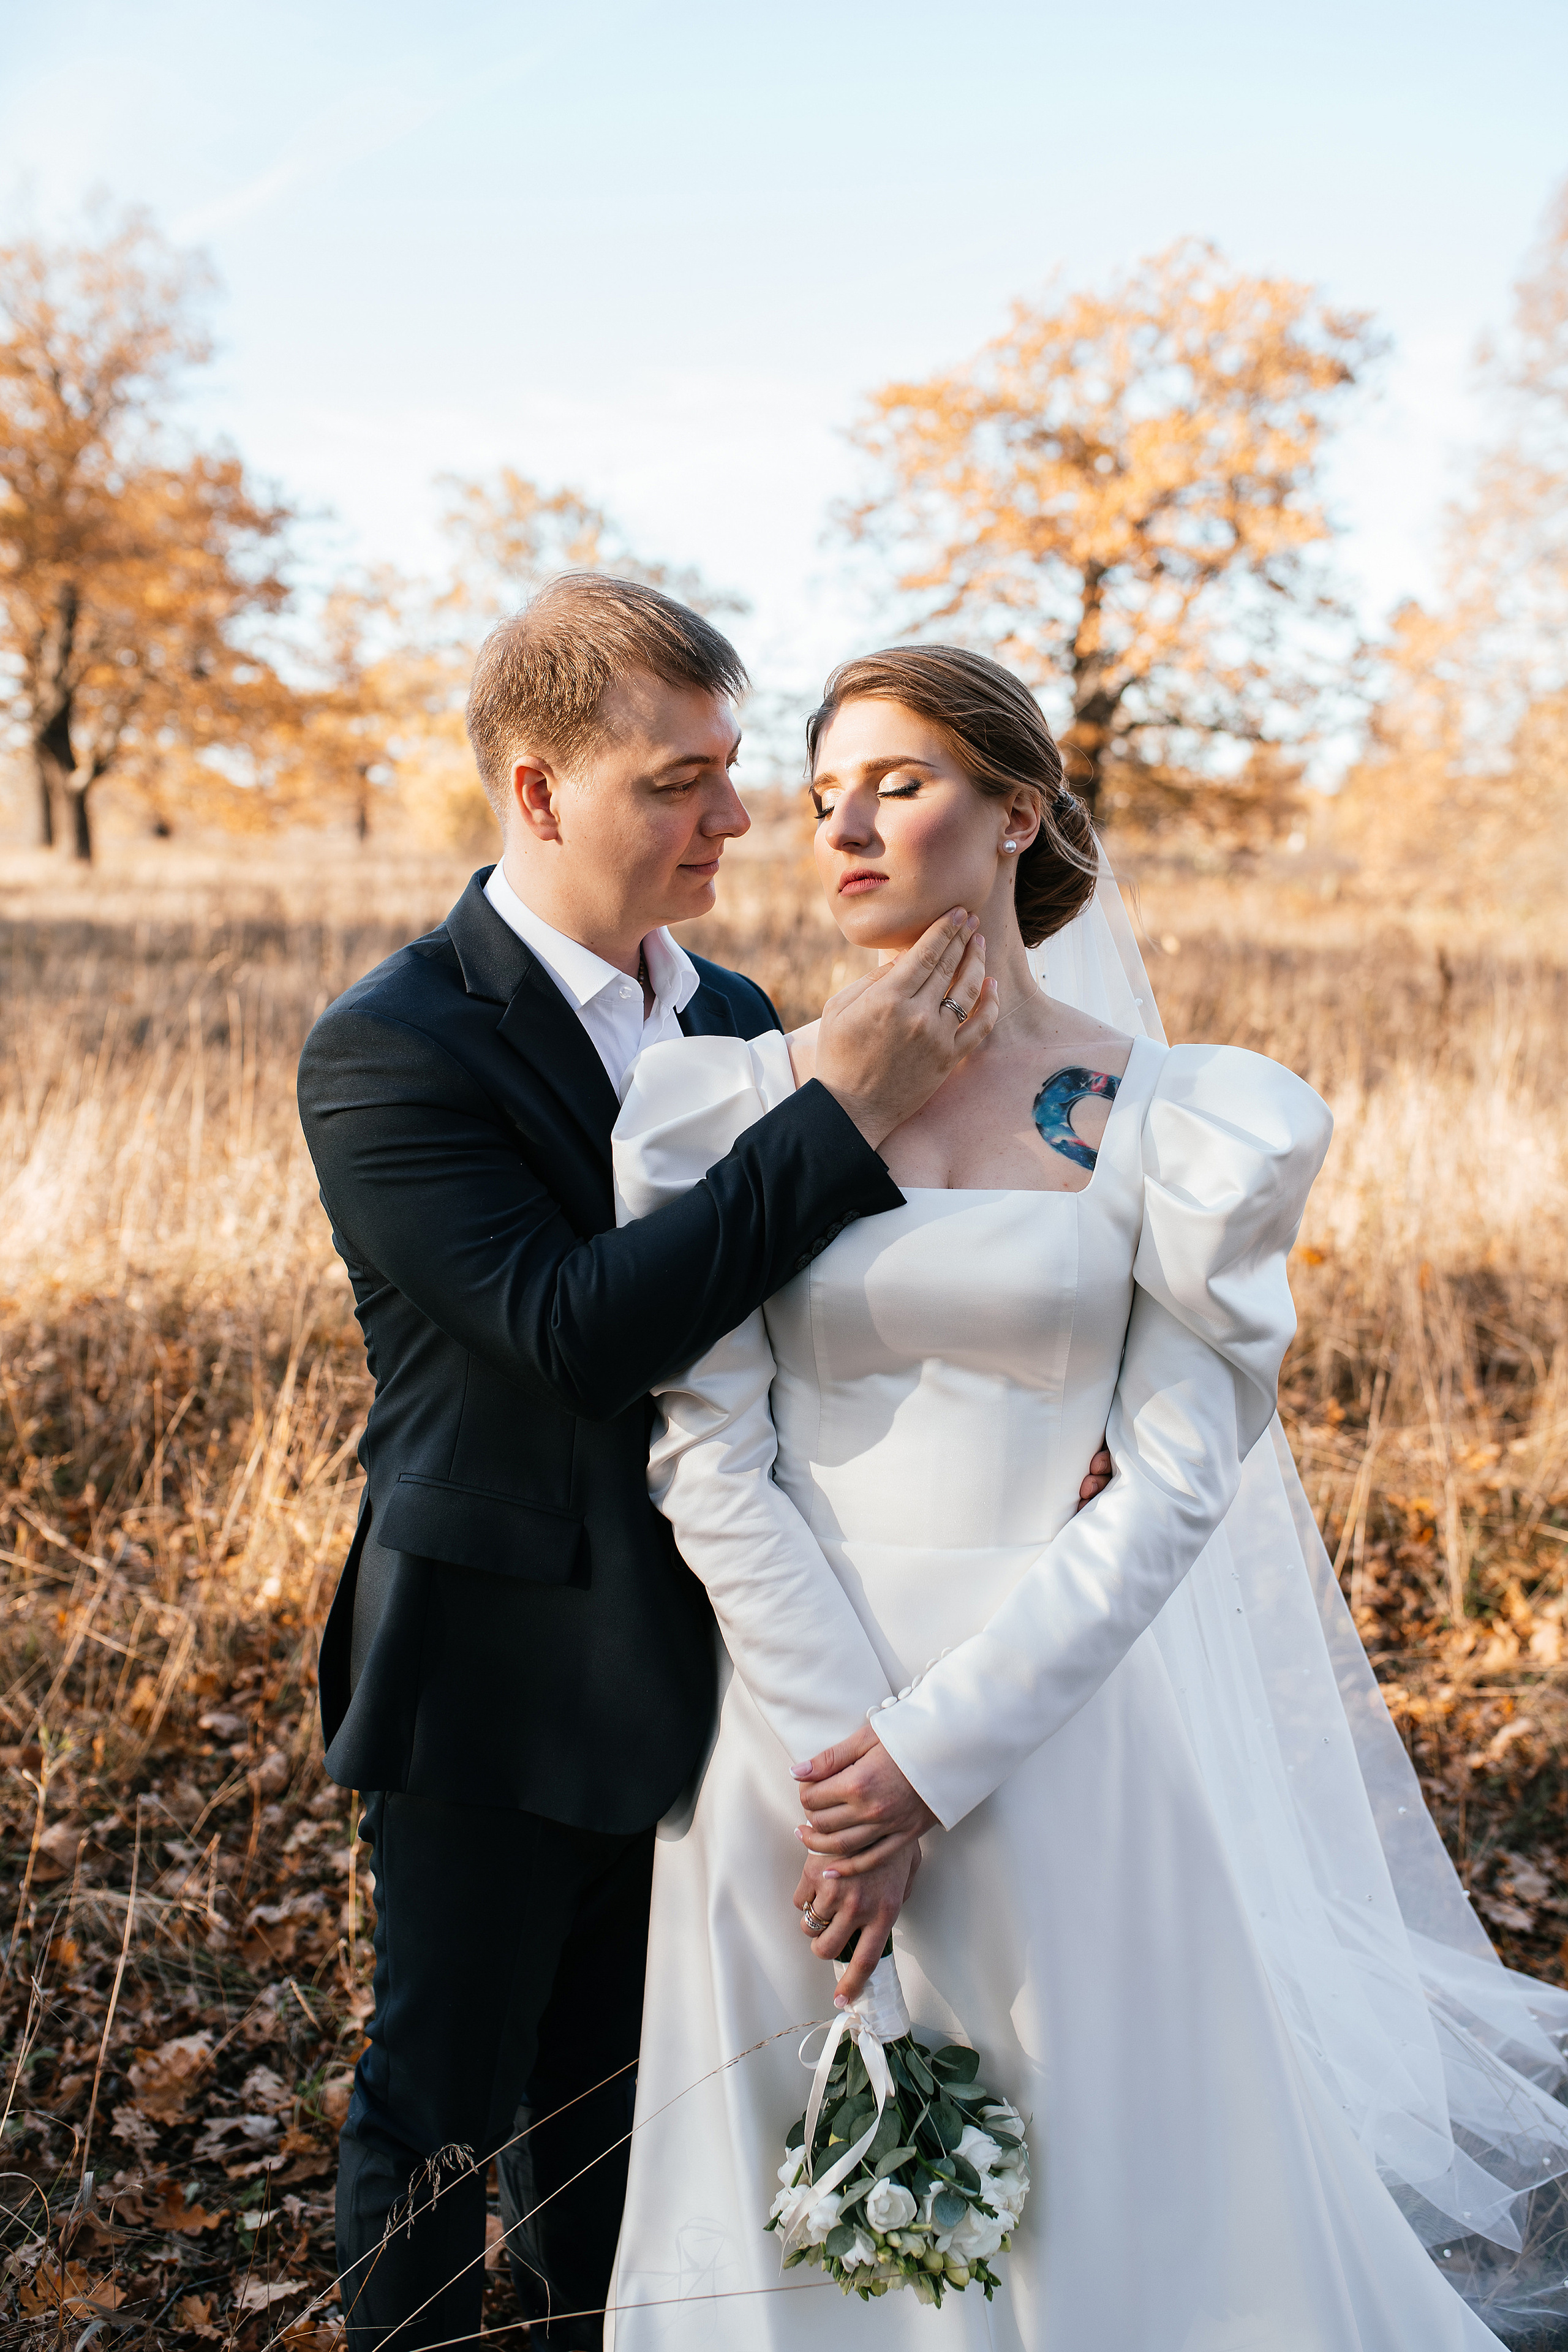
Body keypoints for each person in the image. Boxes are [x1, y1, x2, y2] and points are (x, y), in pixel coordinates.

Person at [606, 645, 1568, 2349]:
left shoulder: (1182, 1123)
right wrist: (852, 1767)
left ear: (1017, 814)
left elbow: (1183, 1472)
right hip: (787, 1734)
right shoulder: (725, 1102)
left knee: (1104, 2181)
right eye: (825, 794)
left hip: (1059, 1729)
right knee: (803, 2214)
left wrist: (938, 1754)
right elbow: (707, 1447)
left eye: (899, 785)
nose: (843, 825)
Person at [296, 578, 1114, 2352]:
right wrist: (846, 1113)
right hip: (499, 1668)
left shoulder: (738, 1007)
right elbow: (578, 1329)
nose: (738, 819)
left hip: (740, 1657)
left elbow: (830, 1311)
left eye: (733, 772)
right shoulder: (394, 1045)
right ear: (538, 794)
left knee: (622, 2116)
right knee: (442, 2099)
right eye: (683, 782)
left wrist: (1072, 1426)